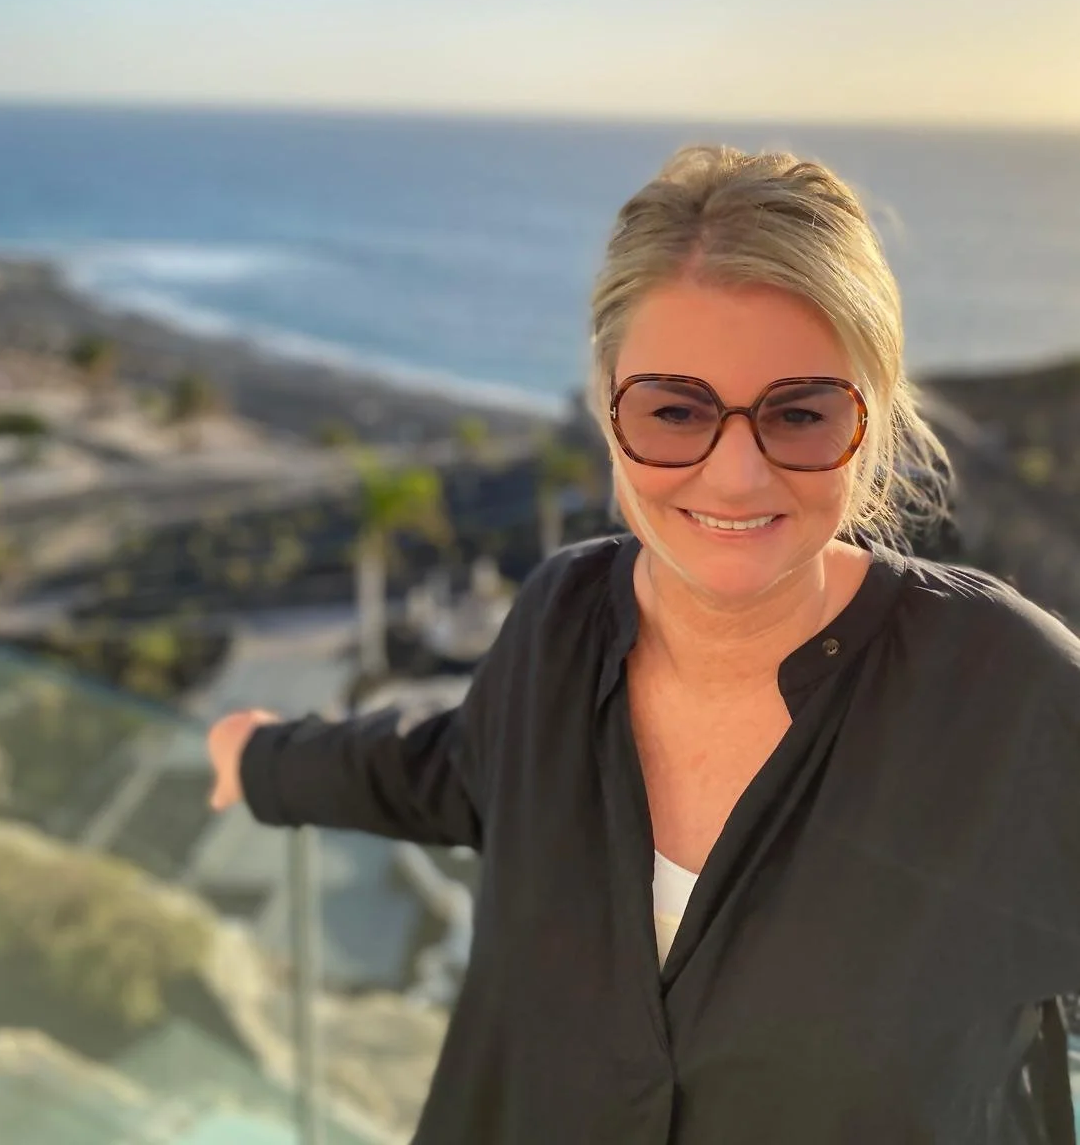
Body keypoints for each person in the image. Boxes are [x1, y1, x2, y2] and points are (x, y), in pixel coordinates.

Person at [207, 145, 1080, 1145]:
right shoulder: (560, 619)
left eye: (799, 413)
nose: (737, 475)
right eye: (675, 410)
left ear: (870, 415)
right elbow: (450, 770)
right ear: (605, 405)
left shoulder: (1006, 696)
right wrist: (259, 759)